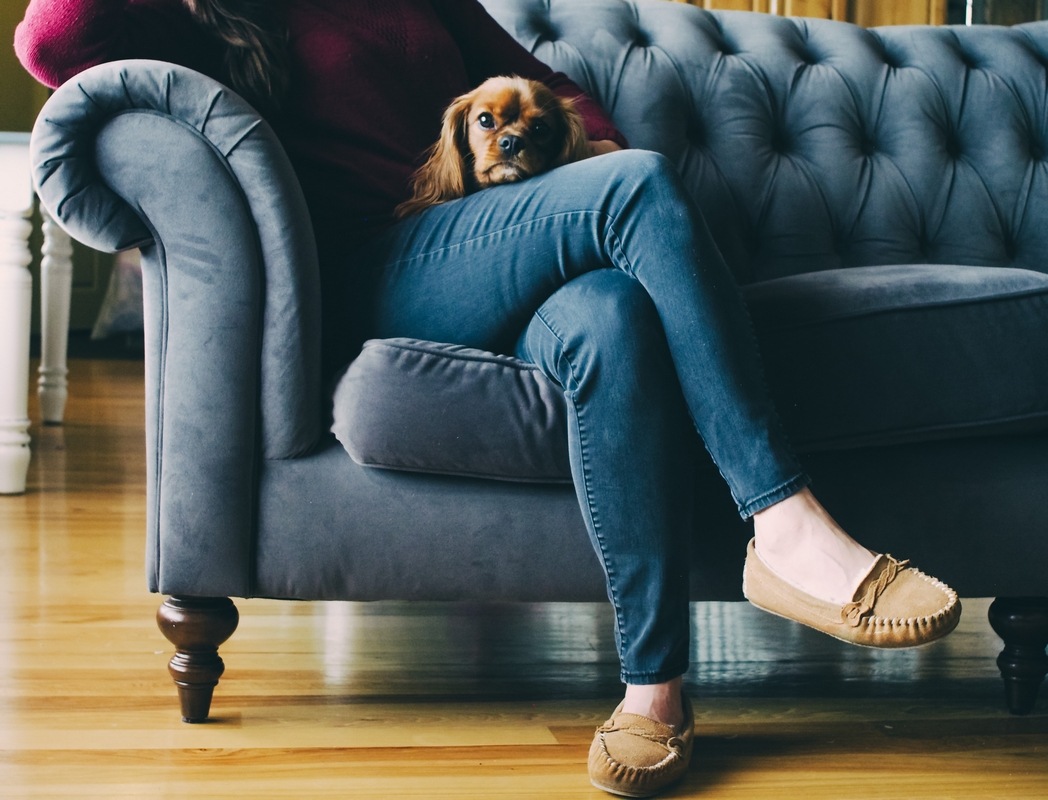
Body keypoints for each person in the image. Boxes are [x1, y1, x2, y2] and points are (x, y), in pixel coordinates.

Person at [15, 1, 961, 796]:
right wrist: (593, 191)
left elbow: (558, 90)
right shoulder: (214, 13)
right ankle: (786, 524)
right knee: (633, 186)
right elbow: (52, 41)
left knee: (612, 315)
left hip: (509, 243)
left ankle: (653, 689)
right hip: (382, 261)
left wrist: (560, 186)